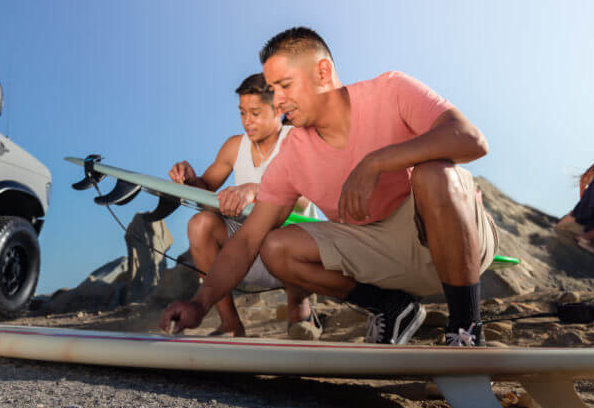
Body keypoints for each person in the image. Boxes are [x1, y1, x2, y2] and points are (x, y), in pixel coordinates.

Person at [162, 27, 498, 347]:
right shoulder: (294, 153)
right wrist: (200, 305)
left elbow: (471, 139)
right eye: (272, 89)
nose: (277, 102)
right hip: (379, 254)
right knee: (275, 245)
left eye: (284, 85)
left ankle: (466, 330)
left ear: (322, 72)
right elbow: (247, 240)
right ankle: (391, 306)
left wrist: (376, 162)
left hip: (450, 240)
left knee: (434, 174)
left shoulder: (390, 91)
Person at [168, 73, 319, 338]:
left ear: (278, 110)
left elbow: (304, 197)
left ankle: (300, 308)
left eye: (255, 113)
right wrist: (190, 179)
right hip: (245, 247)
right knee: (200, 223)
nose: (246, 121)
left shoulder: (296, 138)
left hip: (293, 248)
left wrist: (255, 190)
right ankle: (231, 324)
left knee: (301, 330)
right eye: (242, 113)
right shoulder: (234, 146)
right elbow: (205, 189)